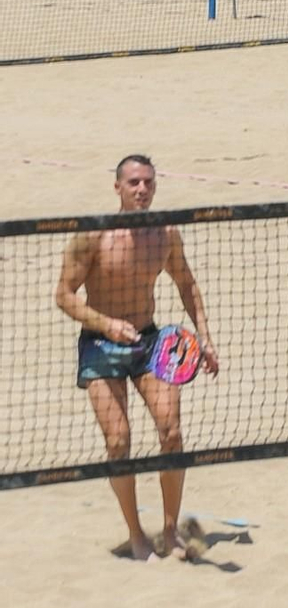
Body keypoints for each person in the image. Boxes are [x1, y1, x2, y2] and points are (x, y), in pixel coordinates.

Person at [54, 154, 219, 560]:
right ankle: (136, 534)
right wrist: (106, 324)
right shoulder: (91, 236)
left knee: (172, 433)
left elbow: (187, 285)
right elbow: (63, 295)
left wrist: (206, 338)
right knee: (119, 440)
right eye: (133, 183)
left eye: (147, 182)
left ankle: (169, 529)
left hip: (149, 342)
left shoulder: (164, 234)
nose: (141, 189)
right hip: (100, 344)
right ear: (118, 188)